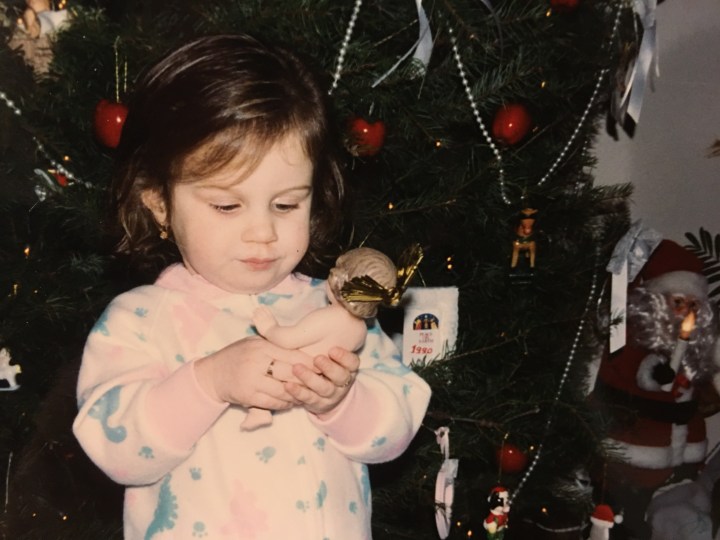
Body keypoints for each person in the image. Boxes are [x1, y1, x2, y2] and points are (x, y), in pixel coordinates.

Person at [72, 34, 431, 540]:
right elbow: (117, 450)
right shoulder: (141, 319)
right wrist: (209, 383)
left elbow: (395, 430)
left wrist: (339, 402)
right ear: (158, 203)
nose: (263, 232)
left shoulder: (335, 309)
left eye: (286, 205)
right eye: (226, 206)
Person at [243, 247, 402, 431]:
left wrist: (270, 328)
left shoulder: (327, 317)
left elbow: (289, 340)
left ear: (336, 279)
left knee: (261, 376)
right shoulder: (361, 330)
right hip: (319, 378)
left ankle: (259, 410)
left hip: (294, 367)